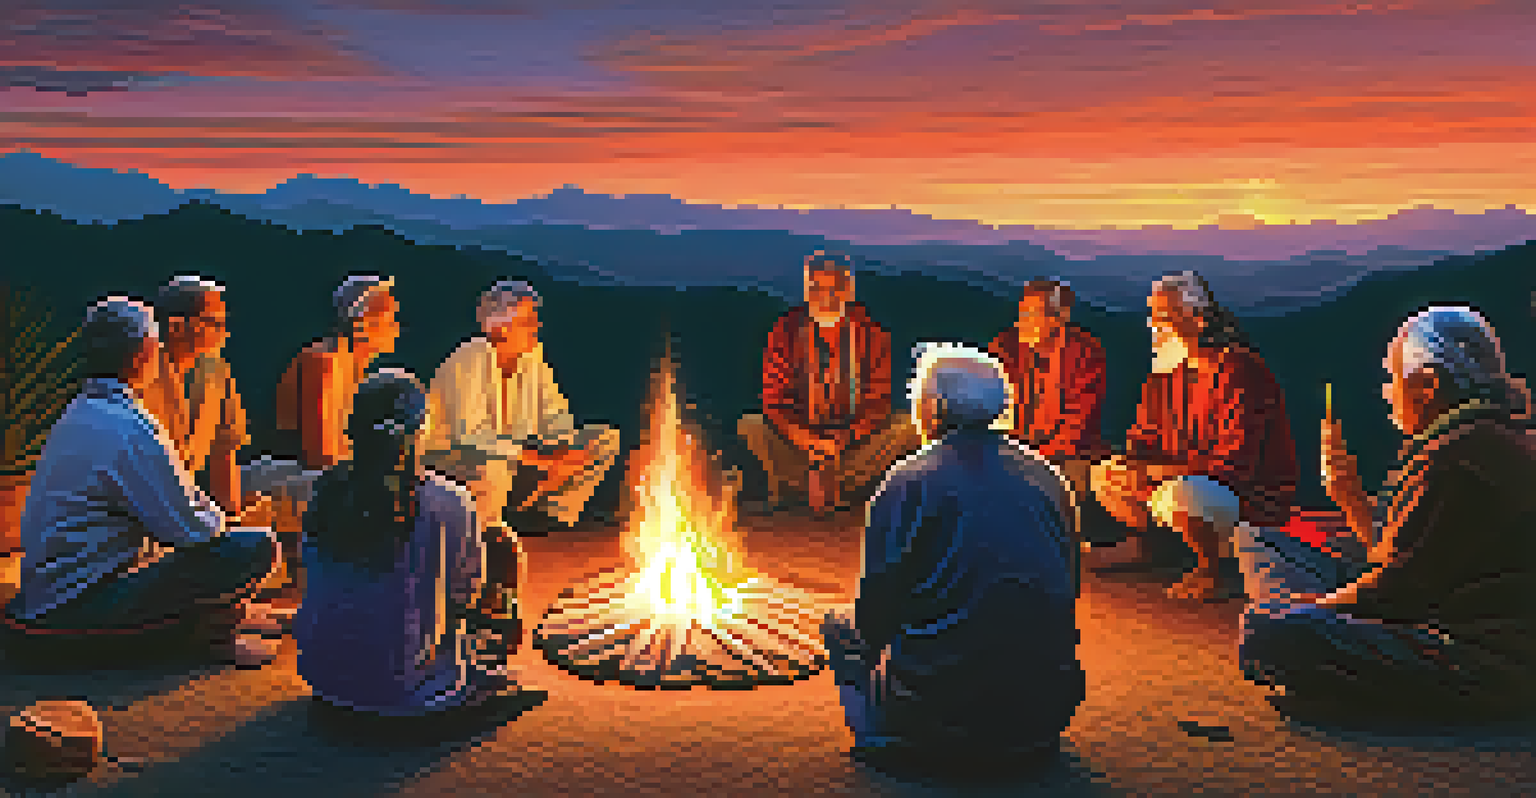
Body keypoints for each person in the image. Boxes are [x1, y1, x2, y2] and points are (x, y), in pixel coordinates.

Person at [1237, 306, 1536, 717]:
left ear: (1428, 384)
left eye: (1394, 378)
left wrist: (1312, 609)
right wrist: (1351, 500)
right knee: (1263, 541)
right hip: (1434, 609)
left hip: (1477, 654)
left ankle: (1331, 668)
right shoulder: (1487, 436)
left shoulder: (1459, 456)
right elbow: (1412, 560)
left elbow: (1398, 590)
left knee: (1268, 630)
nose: (1388, 392)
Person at [822, 342, 1084, 770]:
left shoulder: (908, 480)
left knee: (840, 629)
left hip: (934, 716)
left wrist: (866, 647)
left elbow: (876, 609)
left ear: (933, 406)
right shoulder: (1047, 476)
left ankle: (878, 734)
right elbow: (1068, 587)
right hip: (1044, 715)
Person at [4, 297, 278, 642]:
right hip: (79, 603)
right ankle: (201, 636)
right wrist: (222, 521)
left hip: (45, 595)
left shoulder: (79, 412)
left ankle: (211, 623)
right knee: (254, 548)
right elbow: (189, 529)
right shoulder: (128, 425)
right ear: (144, 353)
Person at [296, 369, 524, 716]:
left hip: (322, 678)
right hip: (402, 688)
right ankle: (470, 674)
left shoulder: (324, 491)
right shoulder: (451, 500)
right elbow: (467, 596)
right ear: (421, 430)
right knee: (502, 546)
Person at [1091, 271, 1297, 600]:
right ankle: (1150, 547)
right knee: (1105, 473)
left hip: (1248, 500)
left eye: (1163, 318)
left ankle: (1212, 571)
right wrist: (1128, 463)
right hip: (1180, 479)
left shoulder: (1240, 371)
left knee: (1186, 495)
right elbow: (1144, 438)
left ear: (1198, 321)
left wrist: (1161, 471)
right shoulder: (1165, 375)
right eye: (1152, 316)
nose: (1153, 328)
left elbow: (1235, 465)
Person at [421, 280, 620, 538]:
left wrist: (566, 450)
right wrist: (542, 459)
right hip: (454, 462)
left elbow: (554, 413)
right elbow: (471, 437)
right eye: (528, 321)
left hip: (514, 458)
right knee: (492, 464)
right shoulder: (468, 358)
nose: (536, 328)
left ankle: (547, 517)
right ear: (501, 327)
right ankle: (485, 530)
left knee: (603, 439)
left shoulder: (532, 359)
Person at [738, 251, 923, 515]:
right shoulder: (786, 330)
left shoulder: (870, 332)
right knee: (752, 426)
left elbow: (878, 401)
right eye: (817, 288)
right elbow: (775, 399)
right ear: (806, 289)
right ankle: (819, 483)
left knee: (908, 426)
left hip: (853, 445)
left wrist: (843, 439)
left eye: (834, 288)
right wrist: (805, 439)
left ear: (848, 291)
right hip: (799, 445)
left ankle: (819, 486)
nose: (825, 297)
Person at [246, 275, 401, 524]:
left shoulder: (354, 370)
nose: (397, 326)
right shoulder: (324, 363)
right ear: (361, 324)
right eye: (390, 318)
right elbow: (321, 455)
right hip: (286, 476)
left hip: (315, 478)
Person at [987, 278, 1112, 542]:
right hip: (1013, 447)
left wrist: (1034, 458)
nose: (1022, 322)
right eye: (1022, 312)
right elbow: (994, 408)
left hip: (1068, 455)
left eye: (1032, 315)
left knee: (1060, 492)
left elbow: (1078, 425)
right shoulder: (1006, 347)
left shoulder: (1085, 352)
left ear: (1059, 318)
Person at [140, 275, 251, 518]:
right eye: (215, 323)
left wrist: (231, 521)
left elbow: (225, 450)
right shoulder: (138, 375)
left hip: (189, 508)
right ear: (176, 326)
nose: (225, 332)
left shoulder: (216, 371)